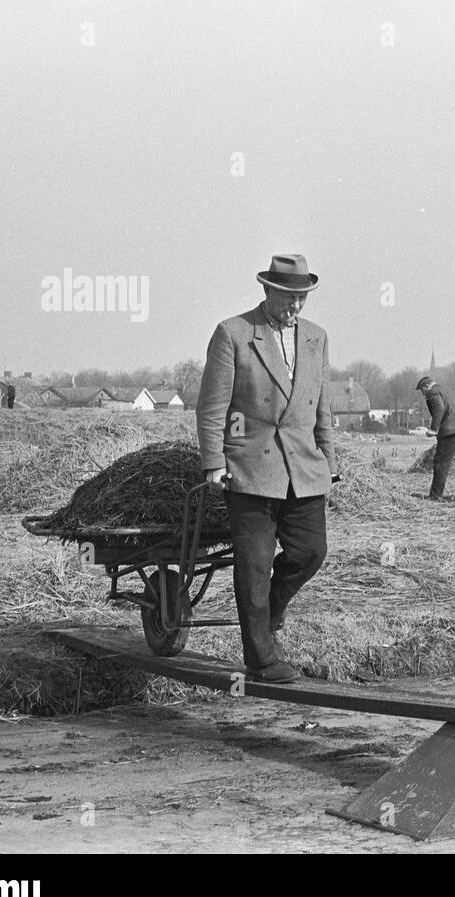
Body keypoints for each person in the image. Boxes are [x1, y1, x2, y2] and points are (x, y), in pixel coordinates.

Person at [197, 254, 339, 684]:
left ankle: (271, 613)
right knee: (254, 566)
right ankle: (260, 658)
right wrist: (214, 463)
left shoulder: (317, 338)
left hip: (304, 466)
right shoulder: (234, 333)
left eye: (302, 298)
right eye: (288, 297)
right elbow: (212, 406)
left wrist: (329, 461)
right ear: (266, 290)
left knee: (310, 552)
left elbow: (322, 406)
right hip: (250, 468)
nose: (295, 306)